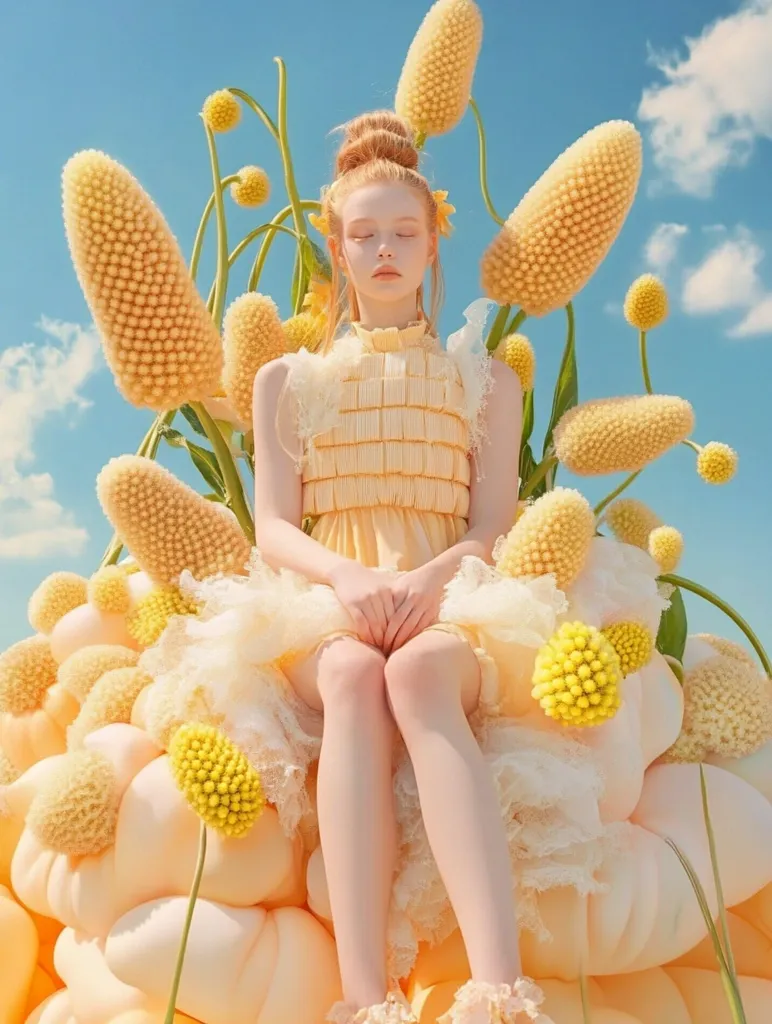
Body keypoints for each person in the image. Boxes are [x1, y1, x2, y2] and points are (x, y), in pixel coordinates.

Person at [145, 109, 604, 1023]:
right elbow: (272, 524)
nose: (385, 250)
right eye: (364, 236)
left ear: (435, 242)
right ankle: (368, 1001)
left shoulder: (486, 383)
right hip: (326, 596)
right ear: (338, 248)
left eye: (405, 233)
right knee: (356, 671)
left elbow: (491, 523)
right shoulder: (289, 380)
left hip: (451, 597)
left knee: (425, 668)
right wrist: (349, 582)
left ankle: (500, 989)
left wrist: (430, 584)